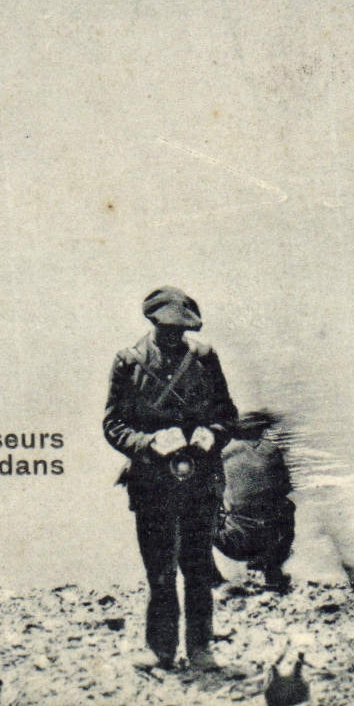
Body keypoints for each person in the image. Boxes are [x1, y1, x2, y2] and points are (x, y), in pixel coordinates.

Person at [104, 287, 239, 671]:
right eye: (167, 330)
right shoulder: (128, 363)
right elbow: (113, 425)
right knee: (160, 571)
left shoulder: (205, 359)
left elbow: (228, 414)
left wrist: (213, 433)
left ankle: (201, 649)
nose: (174, 337)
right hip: (151, 482)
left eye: (181, 331)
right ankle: (161, 650)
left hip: (200, 479)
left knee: (197, 568)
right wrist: (148, 442)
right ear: (152, 323)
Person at [213, 409, 295, 592]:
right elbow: (286, 487)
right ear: (261, 431)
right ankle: (272, 571)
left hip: (237, 545)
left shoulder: (224, 455)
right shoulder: (272, 451)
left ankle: (214, 580)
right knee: (287, 507)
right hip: (272, 542)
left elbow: (214, 494)